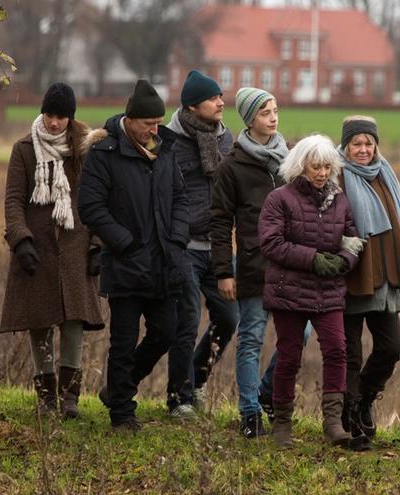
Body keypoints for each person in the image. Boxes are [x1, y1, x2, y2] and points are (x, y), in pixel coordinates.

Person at [78, 80, 189, 432]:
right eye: (148, 124)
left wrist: (177, 239)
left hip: (163, 264)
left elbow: (181, 199)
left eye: (158, 123)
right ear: (130, 119)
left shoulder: (166, 151)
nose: (155, 130)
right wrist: (123, 242)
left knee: (166, 333)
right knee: (123, 342)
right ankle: (123, 414)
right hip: (125, 264)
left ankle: (116, 390)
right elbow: (90, 207)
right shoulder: (104, 153)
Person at [1, 82, 105, 418]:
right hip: (37, 247)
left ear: (71, 117)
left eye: (61, 116)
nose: (53, 122)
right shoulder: (24, 149)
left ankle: (70, 398)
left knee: (74, 322)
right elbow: (14, 200)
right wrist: (21, 240)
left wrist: (97, 245)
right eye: (49, 114)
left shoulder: (85, 150)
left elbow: (98, 200)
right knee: (39, 321)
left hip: (76, 246)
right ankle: (46, 398)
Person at [257, 134, 364, 449]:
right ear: (300, 165)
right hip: (288, 291)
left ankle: (332, 423)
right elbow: (271, 243)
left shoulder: (340, 199)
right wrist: (314, 260)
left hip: (328, 292)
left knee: (337, 350)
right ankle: (282, 424)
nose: (321, 172)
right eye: (315, 166)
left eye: (326, 166)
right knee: (289, 356)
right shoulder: (279, 199)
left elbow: (352, 239)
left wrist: (344, 261)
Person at [337, 116, 400, 443]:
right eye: (356, 144)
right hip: (351, 277)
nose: (363, 150)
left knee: (391, 347)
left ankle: (363, 401)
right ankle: (347, 419)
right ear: (346, 146)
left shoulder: (386, 175)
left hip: (386, 279)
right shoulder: (336, 175)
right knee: (350, 354)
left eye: (368, 143)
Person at [210, 87, 292, 437]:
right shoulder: (233, 166)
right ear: (249, 119)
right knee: (252, 339)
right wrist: (224, 271)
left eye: (274, 110)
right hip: (254, 267)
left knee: (298, 336)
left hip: (291, 268)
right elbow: (218, 222)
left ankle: (266, 394)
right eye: (264, 112)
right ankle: (249, 413)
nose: (273, 117)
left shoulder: (290, 160)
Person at [165, 70, 240, 418]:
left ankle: (196, 381)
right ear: (192, 106)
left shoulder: (227, 141)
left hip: (220, 248)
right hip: (184, 247)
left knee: (229, 317)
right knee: (187, 320)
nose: (222, 102)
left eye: (221, 96)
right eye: (214, 98)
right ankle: (178, 398)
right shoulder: (169, 142)